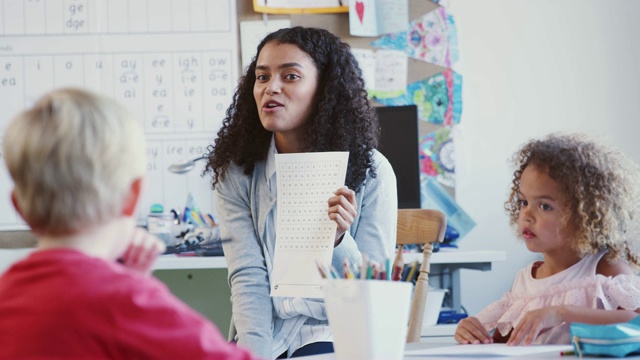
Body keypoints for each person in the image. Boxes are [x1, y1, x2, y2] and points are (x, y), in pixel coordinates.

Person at [0, 88, 258, 359]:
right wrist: (134, 289)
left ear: (18, 207)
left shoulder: (7, 295)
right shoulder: (123, 303)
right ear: (132, 197)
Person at [204, 26, 397, 359]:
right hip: (267, 331)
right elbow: (248, 276)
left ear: (325, 90)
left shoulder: (372, 170)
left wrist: (337, 240)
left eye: (290, 77)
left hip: (336, 328)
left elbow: (371, 291)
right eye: (262, 77)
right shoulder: (238, 172)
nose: (271, 88)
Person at [454, 133, 640, 346]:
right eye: (524, 202)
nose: (527, 215)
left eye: (544, 206)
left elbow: (635, 323)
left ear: (584, 216)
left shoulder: (605, 270)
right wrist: (471, 331)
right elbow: (505, 340)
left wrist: (561, 313)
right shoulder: (525, 282)